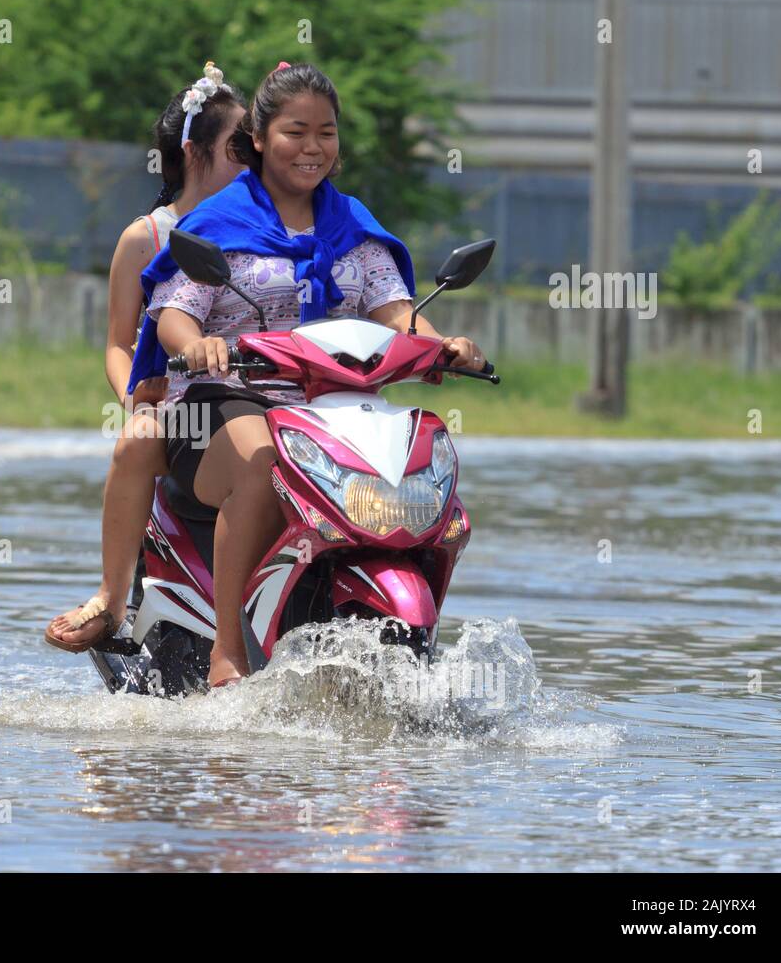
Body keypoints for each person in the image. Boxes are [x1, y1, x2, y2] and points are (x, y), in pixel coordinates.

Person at [129, 62, 488, 687]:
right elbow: (175, 318)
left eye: (327, 132)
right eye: (297, 131)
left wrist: (446, 346)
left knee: (420, 450)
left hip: (333, 410)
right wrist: (201, 347)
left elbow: (399, 316)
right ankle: (228, 653)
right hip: (227, 402)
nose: (313, 147)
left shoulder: (353, 228)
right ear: (261, 137)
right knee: (266, 457)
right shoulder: (219, 224)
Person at [44, 63, 247, 651]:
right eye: (237, 146)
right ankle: (111, 599)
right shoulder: (147, 238)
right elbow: (117, 342)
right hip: (178, 404)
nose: (250, 159)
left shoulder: (264, 228)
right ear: (193, 150)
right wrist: (135, 396)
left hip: (261, 398)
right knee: (136, 438)